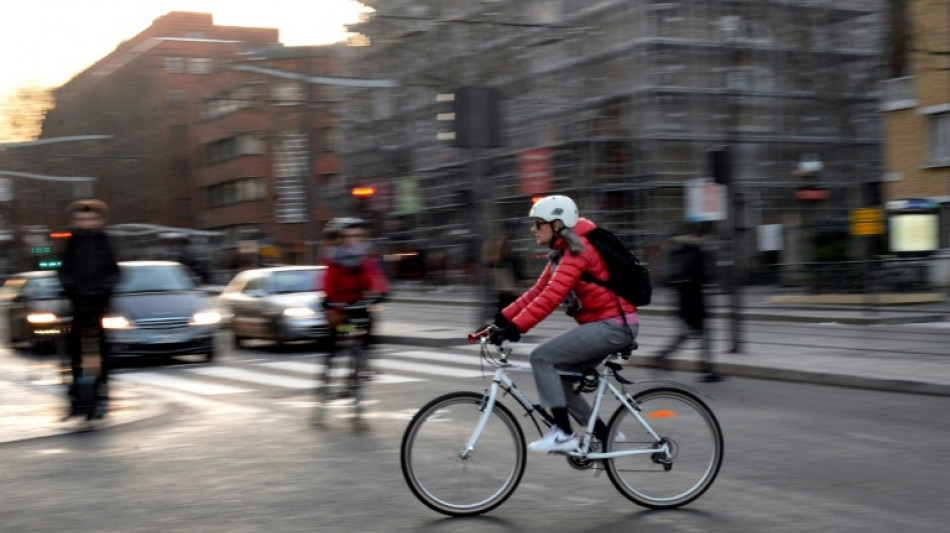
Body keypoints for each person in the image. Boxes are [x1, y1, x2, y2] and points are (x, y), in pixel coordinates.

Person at [489, 195, 638, 453]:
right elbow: (537, 291)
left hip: (613, 326)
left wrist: (515, 328)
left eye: (538, 223)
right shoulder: (561, 254)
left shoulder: (577, 251)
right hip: (604, 325)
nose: (533, 229)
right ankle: (605, 435)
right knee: (560, 380)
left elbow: (551, 296)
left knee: (542, 358)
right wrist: (501, 319)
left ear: (557, 225)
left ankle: (563, 434)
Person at [57, 199, 121, 417]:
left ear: (100, 221)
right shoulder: (71, 243)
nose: (86, 223)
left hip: (100, 305)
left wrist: (104, 289)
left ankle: (102, 390)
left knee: (103, 349)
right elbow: (63, 270)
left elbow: (114, 272)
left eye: (91, 219)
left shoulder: (105, 242)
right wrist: (69, 287)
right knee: (74, 350)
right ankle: (76, 392)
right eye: (82, 220)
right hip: (77, 304)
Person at [653, 223, 722, 382]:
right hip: (695, 300)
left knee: (689, 334)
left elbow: (669, 279)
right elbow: (703, 276)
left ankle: (663, 357)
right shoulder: (696, 252)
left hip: (683, 300)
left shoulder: (676, 253)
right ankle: (705, 370)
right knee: (702, 335)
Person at [321, 218, 389, 371]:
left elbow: (374, 276)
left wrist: (381, 292)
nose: (352, 240)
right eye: (348, 236)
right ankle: (328, 369)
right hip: (339, 308)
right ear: (341, 239)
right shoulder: (333, 258)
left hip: (358, 305)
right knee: (336, 333)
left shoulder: (367, 258)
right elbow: (328, 281)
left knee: (369, 323)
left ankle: (364, 358)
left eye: (357, 236)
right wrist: (330, 302)